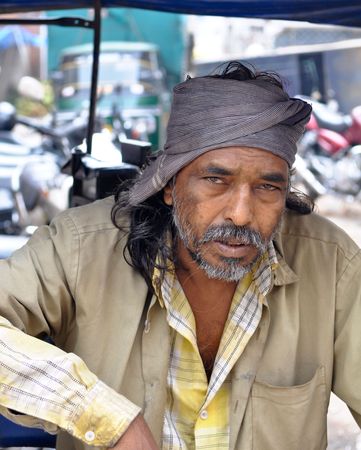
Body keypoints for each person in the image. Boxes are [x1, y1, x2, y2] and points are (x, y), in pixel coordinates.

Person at [0, 61, 360, 450]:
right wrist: (100, 414)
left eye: (267, 188)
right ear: (170, 184)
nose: (240, 213)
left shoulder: (331, 263)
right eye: (215, 180)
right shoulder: (79, 247)